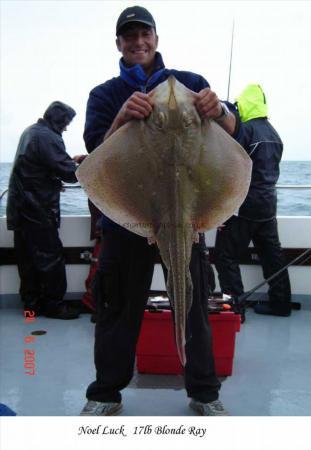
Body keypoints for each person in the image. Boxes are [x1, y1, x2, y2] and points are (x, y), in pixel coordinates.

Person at [80, 6, 237, 416]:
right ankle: (104, 393)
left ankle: (204, 392)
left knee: (193, 303)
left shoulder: (192, 84)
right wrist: (120, 118)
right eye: (128, 36)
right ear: (119, 43)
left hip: (187, 216)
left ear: (156, 38)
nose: (138, 42)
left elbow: (236, 135)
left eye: (144, 34)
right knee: (117, 307)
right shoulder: (104, 95)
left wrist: (217, 109)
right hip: (128, 216)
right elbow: (95, 156)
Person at [214, 84, 292, 317]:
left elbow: (230, 170)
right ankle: (281, 304)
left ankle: (235, 307)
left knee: (224, 254)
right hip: (269, 205)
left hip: (245, 204)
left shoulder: (246, 131)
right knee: (272, 255)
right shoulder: (274, 134)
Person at [6, 101, 84, 320]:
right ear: (58, 118)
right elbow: (69, 173)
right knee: (50, 258)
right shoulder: (47, 137)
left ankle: (31, 306)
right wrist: (89, 166)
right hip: (37, 210)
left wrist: (53, 178)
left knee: (27, 260)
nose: (67, 127)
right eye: (66, 122)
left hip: (20, 209)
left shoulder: (31, 132)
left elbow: (36, 167)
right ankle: (53, 306)